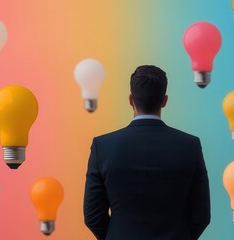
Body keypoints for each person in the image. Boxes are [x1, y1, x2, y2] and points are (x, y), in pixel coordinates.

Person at [83, 65, 211, 240]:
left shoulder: (103, 146)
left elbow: (93, 216)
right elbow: (201, 216)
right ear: (164, 100)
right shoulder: (190, 145)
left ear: (130, 99)